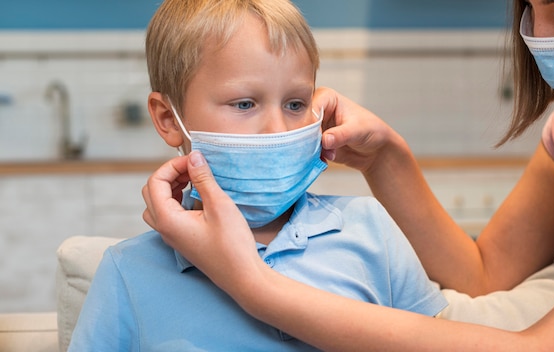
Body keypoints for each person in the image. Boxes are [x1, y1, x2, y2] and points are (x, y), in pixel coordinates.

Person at [142, 0, 554, 350]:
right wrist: (384, 158)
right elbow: (485, 277)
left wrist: (251, 284)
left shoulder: (358, 237)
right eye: (529, 7)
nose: (541, 35)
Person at [68, 0, 447, 350]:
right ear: (169, 119)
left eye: (296, 103)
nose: (278, 129)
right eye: (245, 103)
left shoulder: (371, 230)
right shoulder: (128, 271)